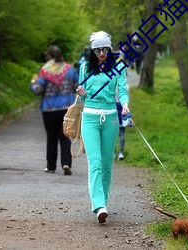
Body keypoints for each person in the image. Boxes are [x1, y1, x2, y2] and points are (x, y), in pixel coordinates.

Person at [76, 31, 129, 223]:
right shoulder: (84, 67)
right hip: (89, 117)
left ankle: (103, 201)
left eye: (104, 49)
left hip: (111, 118)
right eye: (97, 50)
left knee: (107, 164)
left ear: (109, 48)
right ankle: (98, 205)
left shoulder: (118, 67)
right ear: (92, 50)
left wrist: (124, 104)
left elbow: (122, 89)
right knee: (95, 163)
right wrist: (81, 92)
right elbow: (82, 96)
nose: (101, 53)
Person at [30, 45, 79, 175]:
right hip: (66, 109)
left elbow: (38, 90)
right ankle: (66, 163)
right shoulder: (70, 70)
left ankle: (51, 166)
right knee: (65, 137)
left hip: (49, 109)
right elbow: (77, 87)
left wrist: (33, 83)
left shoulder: (45, 71)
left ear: (49, 57)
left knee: (51, 138)